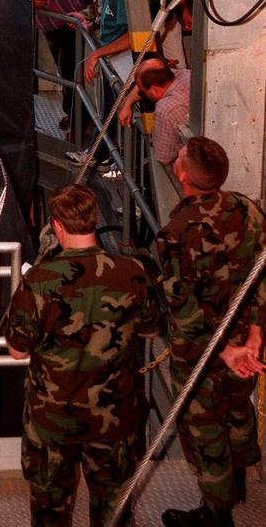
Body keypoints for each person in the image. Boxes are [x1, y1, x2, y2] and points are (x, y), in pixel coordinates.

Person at [7, 183, 161, 527]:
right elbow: (152, 329)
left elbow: (17, 349)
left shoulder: (40, 281)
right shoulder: (131, 272)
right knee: (113, 508)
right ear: (93, 219)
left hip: (52, 415)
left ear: (56, 225)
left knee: (50, 509)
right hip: (114, 412)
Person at [158, 138, 266, 527]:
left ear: (182, 174)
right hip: (244, 340)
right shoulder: (247, 210)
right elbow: (260, 278)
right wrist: (254, 336)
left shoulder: (176, 232)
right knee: (238, 407)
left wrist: (221, 352)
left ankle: (217, 514)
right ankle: (238, 481)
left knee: (203, 429)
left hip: (201, 352)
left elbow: (184, 310)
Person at [33, 0, 90, 129]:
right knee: (65, 73)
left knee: (71, 75)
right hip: (53, 27)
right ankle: (74, 117)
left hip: (70, 28)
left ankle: (78, 123)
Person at [76, 0, 132, 86]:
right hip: (109, 52)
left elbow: (133, 36)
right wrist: (86, 17)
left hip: (124, 59)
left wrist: (97, 53)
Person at [118, 56, 191, 166]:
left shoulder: (165, 109)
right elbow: (151, 76)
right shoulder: (185, 74)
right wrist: (128, 102)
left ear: (154, 90)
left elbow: (163, 157)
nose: (140, 94)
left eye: (142, 92)